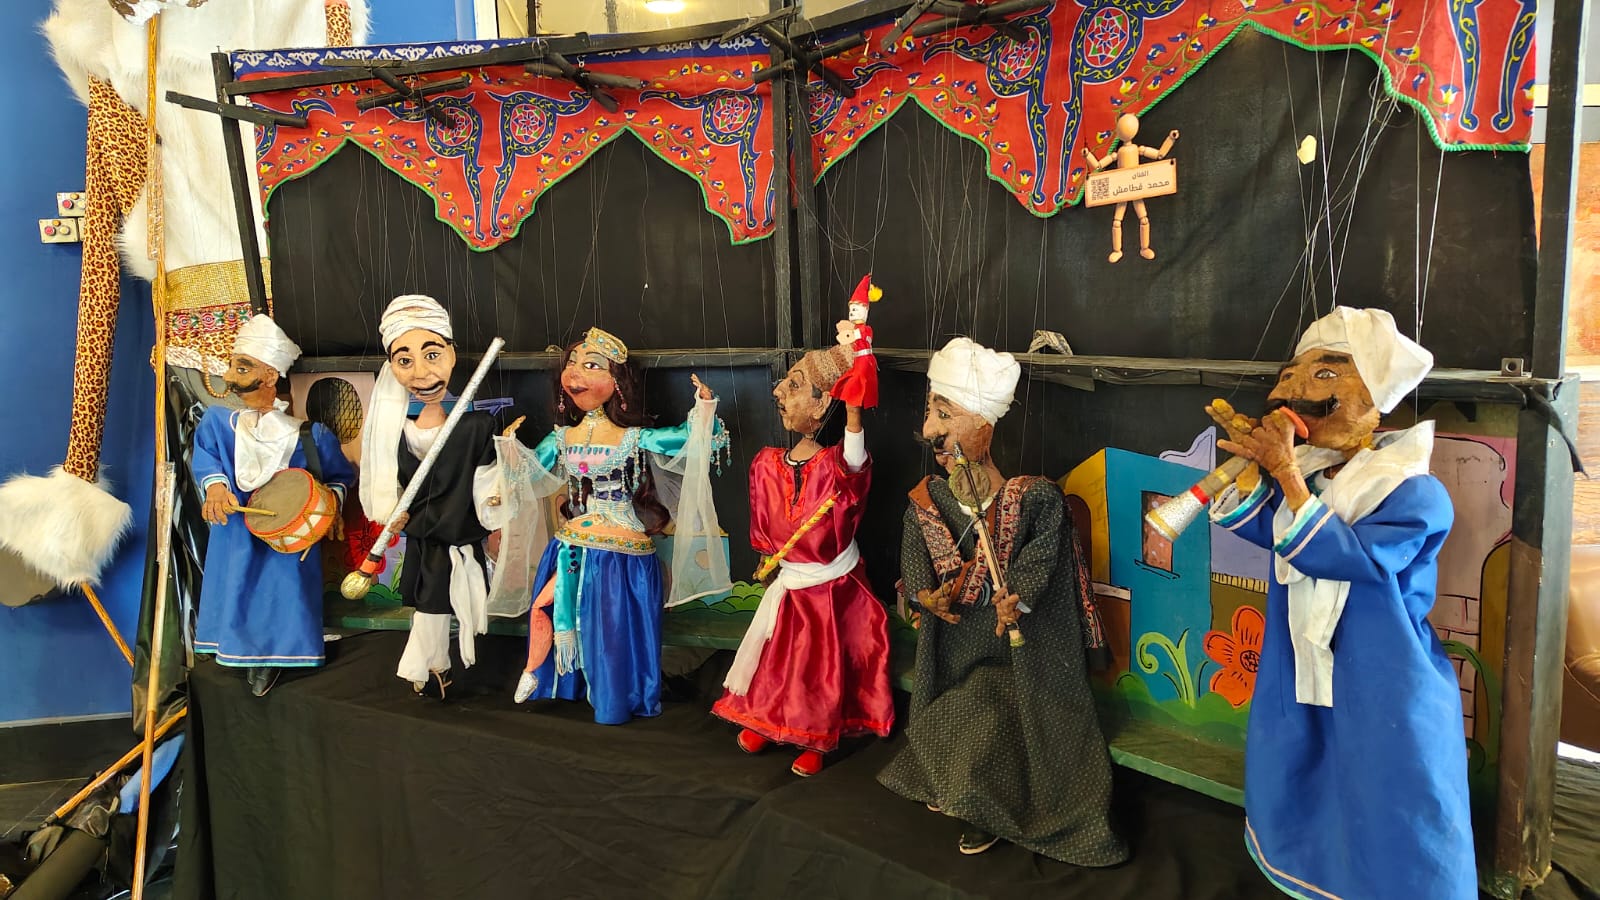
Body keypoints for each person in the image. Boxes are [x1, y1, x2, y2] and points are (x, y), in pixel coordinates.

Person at [1207, 307, 1474, 899]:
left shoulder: (1416, 492)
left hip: (1382, 672)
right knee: (1307, 775)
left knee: (1391, 791)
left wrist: (1285, 474)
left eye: (1325, 375)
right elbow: (1283, 534)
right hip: (1302, 659)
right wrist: (1254, 474)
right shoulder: (1314, 477)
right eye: (1290, 374)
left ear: (1375, 398)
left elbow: (1356, 559)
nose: (1291, 390)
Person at [878, 338, 1125, 864]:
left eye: (945, 414)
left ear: (985, 427)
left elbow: (1040, 562)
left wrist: (1019, 601)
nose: (931, 430)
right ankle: (960, 789)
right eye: (930, 413)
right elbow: (915, 560)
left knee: (994, 717)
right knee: (953, 712)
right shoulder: (928, 502)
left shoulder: (1035, 499)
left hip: (1023, 658)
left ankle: (986, 809)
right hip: (956, 653)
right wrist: (926, 597)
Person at [496, 327, 730, 725]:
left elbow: (688, 441)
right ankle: (537, 671)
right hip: (574, 543)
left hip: (618, 549)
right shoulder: (562, 438)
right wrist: (510, 452)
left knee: (608, 627)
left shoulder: (631, 438)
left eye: (591, 366)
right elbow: (530, 475)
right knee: (545, 606)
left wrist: (703, 409)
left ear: (617, 382)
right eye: (572, 364)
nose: (576, 374)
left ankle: (611, 695)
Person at [712, 345, 894, 777]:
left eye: (794, 386)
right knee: (775, 659)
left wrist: (854, 415)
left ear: (822, 403)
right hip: (790, 583)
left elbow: (854, 461)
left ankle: (814, 735)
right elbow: (764, 525)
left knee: (816, 667)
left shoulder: (838, 469)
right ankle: (767, 718)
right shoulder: (766, 464)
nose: (778, 391)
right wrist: (767, 560)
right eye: (784, 383)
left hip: (832, 592)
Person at [193, 314, 353, 697]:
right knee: (236, 585)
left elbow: (339, 476)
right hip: (236, 534)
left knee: (281, 592)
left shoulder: (309, 435)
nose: (230, 376)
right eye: (233, 366)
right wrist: (216, 487)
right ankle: (234, 648)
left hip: (287, 539)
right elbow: (207, 456)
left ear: (268, 376)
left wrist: (330, 506)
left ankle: (277, 655)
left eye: (242, 367)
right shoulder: (219, 423)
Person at [358, 295, 506, 699]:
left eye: (432, 355)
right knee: (428, 599)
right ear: (391, 367)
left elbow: (487, 478)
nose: (422, 373)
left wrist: (495, 508)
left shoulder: (475, 426)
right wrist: (395, 511)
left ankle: (424, 666)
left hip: (456, 528)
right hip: (423, 532)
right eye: (405, 361)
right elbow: (399, 485)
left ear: (452, 354)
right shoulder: (394, 434)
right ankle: (436, 666)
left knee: (433, 601)